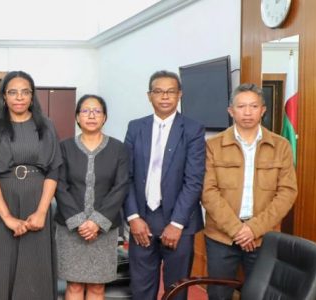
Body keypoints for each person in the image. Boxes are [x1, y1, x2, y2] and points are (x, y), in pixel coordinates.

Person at [201, 83, 297, 300]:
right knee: (218, 294)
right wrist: (237, 230)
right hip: (221, 237)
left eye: (253, 106)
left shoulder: (281, 146)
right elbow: (208, 191)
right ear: (231, 111)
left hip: (263, 237)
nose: (247, 112)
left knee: (261, 294)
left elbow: (287, 192)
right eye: (241, 106)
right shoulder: (213, 145)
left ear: (263, 110)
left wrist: (253, 229)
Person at [0, 71, 62, 300]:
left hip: (38, 204)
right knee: (3, 268)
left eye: (25, 92)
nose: (19, 97)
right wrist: (7, 218)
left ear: (32, 96)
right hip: (3, 207)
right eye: (13, 92)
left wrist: (42, 212)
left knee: (36, 271)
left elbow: (53, 170)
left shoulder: (46, 126)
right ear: (4, 96)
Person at [123, 70, 205, 300]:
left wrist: (177, 223)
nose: (165, 97)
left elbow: (194, 180)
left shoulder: (193, 129)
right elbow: (125, 176)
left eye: (171, 91)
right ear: (149, 96)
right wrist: (133, 217)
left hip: (179, 223)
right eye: (158, 91)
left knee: (176, 291)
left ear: (180, 94)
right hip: (142, 221)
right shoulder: (135, 127)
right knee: (141, 289)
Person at [55, 95, 130, 300]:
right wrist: (80, 222)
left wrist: (97, 222)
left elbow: (120, 186)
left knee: (98, 287)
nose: (91, 115)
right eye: (85, 111)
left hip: (105, 229)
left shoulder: (118, 148)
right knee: (74, 285)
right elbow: (59, 186)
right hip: (71, 228)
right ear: (77, 117)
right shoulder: (64, 147)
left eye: (97, 111)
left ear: (104, 117)